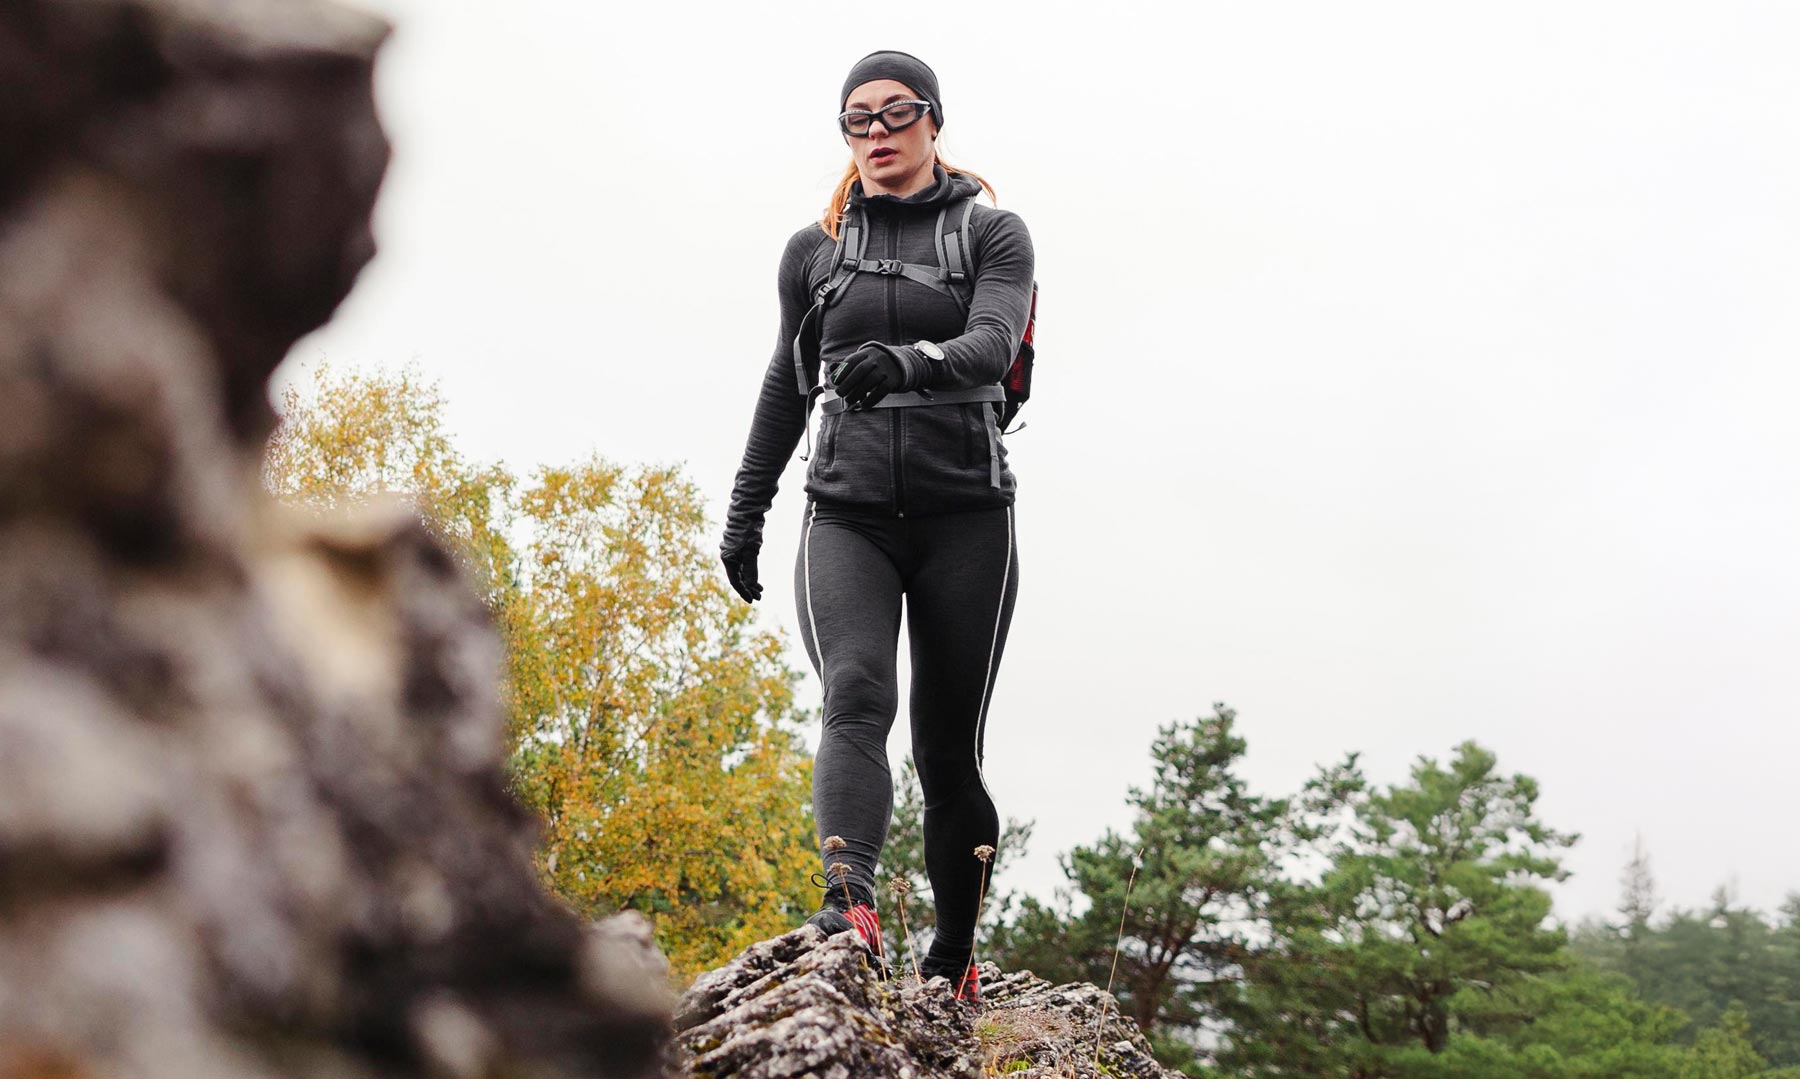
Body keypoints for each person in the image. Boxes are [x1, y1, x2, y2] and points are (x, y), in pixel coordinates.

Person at [719, 50, 1034, 1005]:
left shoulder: (992, 232)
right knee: (856, 696)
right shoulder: (813, 254)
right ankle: (848, 904)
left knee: (947, 747)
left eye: (897, 113)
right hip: (846, 514)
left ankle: (954, 953)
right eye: (858, 119)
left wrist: (904, 361)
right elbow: (787, 381)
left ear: (933, 120)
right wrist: (746, 508)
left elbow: (993, 340)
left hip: (966, 517)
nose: (878, 133)